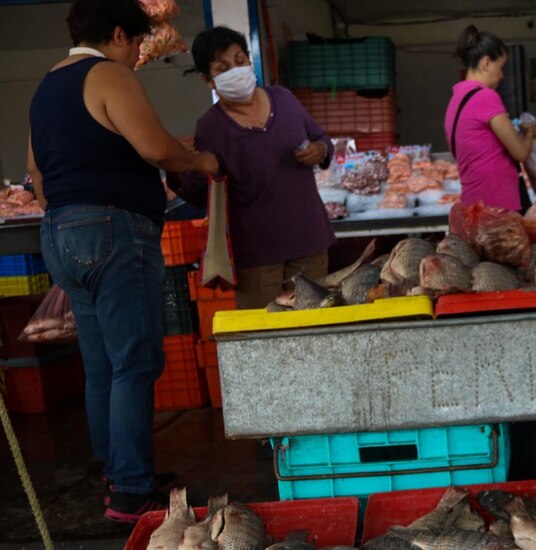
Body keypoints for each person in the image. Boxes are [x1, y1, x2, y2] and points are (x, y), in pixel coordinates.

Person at [26, 0, 219, 522]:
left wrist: (70, 215)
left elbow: (36, 174)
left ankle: (120, 473)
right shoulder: (106, 73)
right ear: (115, 34)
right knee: (135, 362)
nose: (137, 53)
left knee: (103, 366)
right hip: (112, 230)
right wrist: (201, 160)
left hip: (60, 231)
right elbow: (155, 148)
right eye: (135, 42)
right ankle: (133, 491)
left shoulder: (46, 86)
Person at [171, 26, 336, 309]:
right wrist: (177, 165)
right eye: (223, 68)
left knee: (316, 332)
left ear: (250, 60)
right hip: (257, 258)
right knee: (266, 337)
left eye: (240, 60)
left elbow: (322, 140)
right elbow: (201, 195)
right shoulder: (211, 127)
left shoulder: (283, 99)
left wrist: (319, 151)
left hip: (309, 240)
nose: (236, 70)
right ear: (208, 80)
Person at [445, 25, 535, 213]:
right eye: (501, 67)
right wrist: (529, 134)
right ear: (486, 63)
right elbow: (520, 153)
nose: (502, 76)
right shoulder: (485, 97)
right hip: (498, 204)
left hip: (474, 203)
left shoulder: (456, 100)